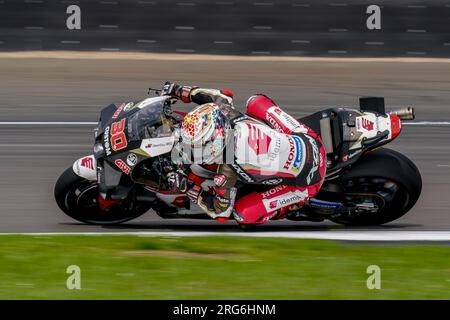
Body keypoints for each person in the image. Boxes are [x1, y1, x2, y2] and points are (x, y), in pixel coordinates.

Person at [162, 82, 326, 225]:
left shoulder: (226, 172)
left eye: (195, 146)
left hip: (308, 180)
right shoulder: (226, 113)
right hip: (307, 137)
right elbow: (220, 96)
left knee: (242, 214)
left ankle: (293, 205)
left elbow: (221, 213)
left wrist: (189, 187)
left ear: (213, 147)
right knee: (255, 100)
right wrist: (183, 91)